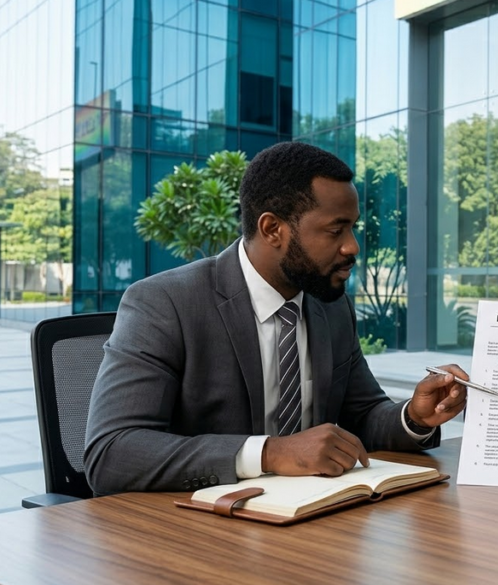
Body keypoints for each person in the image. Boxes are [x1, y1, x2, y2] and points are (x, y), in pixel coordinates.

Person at [84, 142, 469, 495]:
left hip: (313, 524)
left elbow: (363, 415)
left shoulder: (331, 305)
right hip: (200, 533)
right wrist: (269, 454)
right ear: (272, 229)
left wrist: (415, 417)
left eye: (352, 228)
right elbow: (112, 451)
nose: (352, 247)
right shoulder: (165, 302)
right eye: (336, 230)